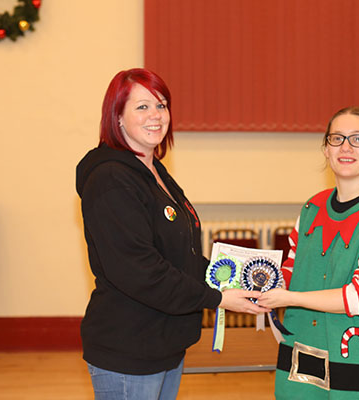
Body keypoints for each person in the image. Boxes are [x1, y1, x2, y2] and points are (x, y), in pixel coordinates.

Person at [75, 68, 268, 400]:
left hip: (164, 344)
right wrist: (217, 298)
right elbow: (140, 270)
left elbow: (181, 257)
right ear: (117, 117)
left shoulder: (155, 172)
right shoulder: (110, 179)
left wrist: (234, 278)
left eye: (161, 105)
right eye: (142, 107)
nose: (156, 115)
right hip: (130, 351)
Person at [259, 107, 359, 400]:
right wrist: (261, 283)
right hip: (304, 359)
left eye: (357, 138)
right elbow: (293, 270)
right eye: (337, 138)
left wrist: (289, 298)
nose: (346, 147)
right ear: (326, 149)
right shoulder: (311, 208)